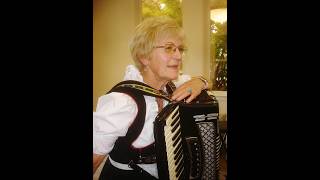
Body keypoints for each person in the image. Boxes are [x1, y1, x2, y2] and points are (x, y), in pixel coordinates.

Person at [93, 16, 209, 179]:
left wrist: (200, 81)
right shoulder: (122, 102)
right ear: (144, 57)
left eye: (179, 49)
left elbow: (203, 80)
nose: (179, 56)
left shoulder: (172, 85)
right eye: (169, 48)